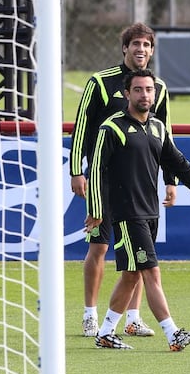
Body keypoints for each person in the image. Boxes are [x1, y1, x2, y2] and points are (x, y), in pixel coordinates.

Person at [85, 69, 190, 351]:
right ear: (127, 94)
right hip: (127, 213)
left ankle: (106, 333)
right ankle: (173, 334)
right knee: (151, 272)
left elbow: (179, 163)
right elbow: (96, 170)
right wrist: (97, 209)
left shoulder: (158, 128)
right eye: (138, 89)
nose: (144, 94)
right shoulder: (112, 129)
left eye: (149, 89)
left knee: (132, 275)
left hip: (150, 212)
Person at [69, 23, 177, 337]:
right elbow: (82, 128)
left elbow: (165, 136)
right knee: (99, 248)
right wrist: (77, 170)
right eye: (135, 44)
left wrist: (170, 179)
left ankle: (133, 317)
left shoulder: (158, 87)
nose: (141, 49)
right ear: (125, 48)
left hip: (139, 183)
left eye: (146, 45)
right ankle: (90, 314)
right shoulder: (100, 83)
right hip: (103, 182)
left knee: (137, 252)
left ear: (152, 50)